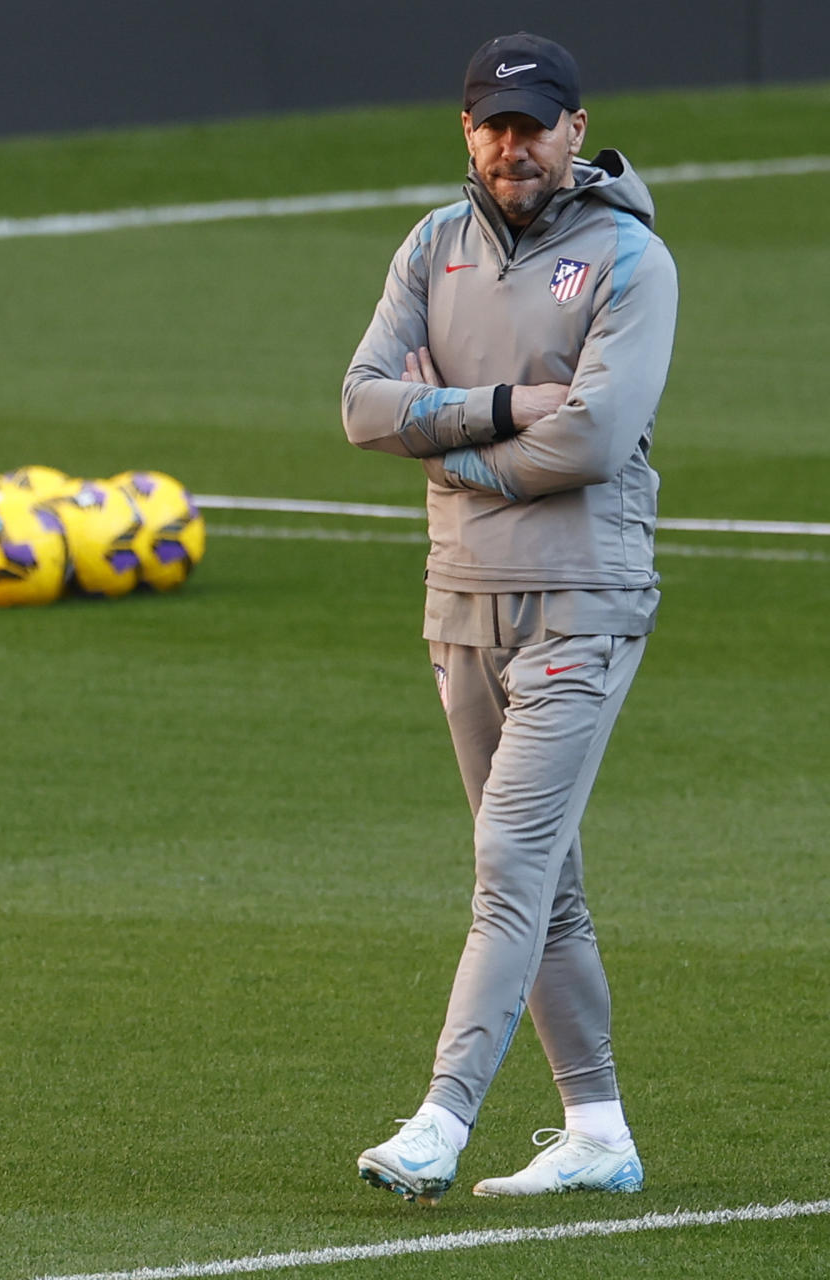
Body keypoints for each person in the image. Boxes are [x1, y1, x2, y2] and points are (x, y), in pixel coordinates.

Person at [339, 31, 677, 1203]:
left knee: (511, 858)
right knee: (550, 882)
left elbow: (589, 438)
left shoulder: (629, 258)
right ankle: (598, 1128)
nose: (511, 143)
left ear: (577, 131)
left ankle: (442, 1116)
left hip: (587, 594)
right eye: (492, 123)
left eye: (534, 123)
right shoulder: (434, 246)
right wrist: (495, 406)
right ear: (467, 131)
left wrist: (448, 448)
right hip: (461, 600)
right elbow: (359, 404)